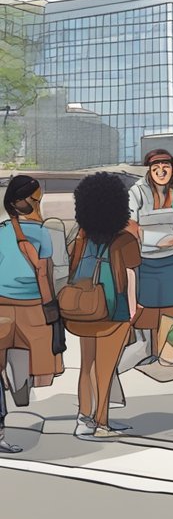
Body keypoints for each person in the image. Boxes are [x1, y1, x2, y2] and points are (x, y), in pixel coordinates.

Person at [68, 172, 142, 440]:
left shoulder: (81, 237)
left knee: (86, 365)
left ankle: (83, 418)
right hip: (114, 311)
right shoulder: (126, 241)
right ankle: (101, 423)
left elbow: (72, 268)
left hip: (83, 308)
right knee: (106, 368)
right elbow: (131, 277)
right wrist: (133, 311)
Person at [0, 176, 60, 453]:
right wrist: (52, 309)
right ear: (20, 202)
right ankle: (19, 388)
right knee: (36, 360)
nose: (38, 204)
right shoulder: (42, 233)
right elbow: (44, 274)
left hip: (1, 307)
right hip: (32, 306)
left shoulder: (0, 232)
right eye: (36, 199)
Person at [127, 149, 173, 366]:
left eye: (165, 167)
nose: (161, 172)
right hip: (146, 260)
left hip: (171, 260)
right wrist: (156, 239)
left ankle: (166, 356)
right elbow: (130, 226)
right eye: (156, 168)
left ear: (172, 170)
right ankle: (148, 352)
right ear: (149, 171)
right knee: (148, 309)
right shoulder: (137, 192)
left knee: (172, 307)